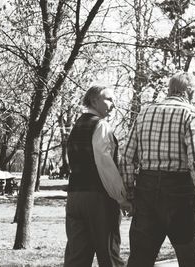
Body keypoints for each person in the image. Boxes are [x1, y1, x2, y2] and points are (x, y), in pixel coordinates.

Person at [121, 72, 195, 267]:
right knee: (188, 258)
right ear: (189, 91)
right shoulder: (192, 113)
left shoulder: (145, 112)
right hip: (180, 192)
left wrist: (129, 192)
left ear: (170, 89)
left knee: (140, 259)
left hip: (146, 188)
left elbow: (127, 156)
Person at [64, 85, 132, 267]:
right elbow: (105, 164)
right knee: (109, 255)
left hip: (74, 197)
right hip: (98, 198)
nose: (113, 104)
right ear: (94, 100)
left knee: (76, 257)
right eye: (109, 99)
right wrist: (121, 197)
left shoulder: (77, 125)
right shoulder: (100, 125)